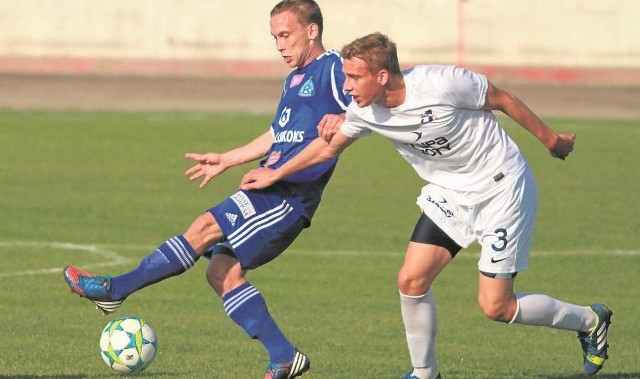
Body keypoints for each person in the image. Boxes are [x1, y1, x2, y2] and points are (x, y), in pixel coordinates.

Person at [239, 32, 612, 378]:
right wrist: (274, 173)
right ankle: (424, 373)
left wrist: (551, 141)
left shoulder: (442, 82)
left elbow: (502, 99)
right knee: (411, 280)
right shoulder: (363, 109)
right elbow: (329, 146)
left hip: (502, 190)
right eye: (345, 77)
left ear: (382, 76)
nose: (346, 86)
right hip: (449, 193)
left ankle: (589, 321)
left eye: (353, 77)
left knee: (497, 307)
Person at [63, 1, 350, 378]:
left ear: (311, 31)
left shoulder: (333, 67)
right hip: (269, 183)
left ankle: (116, 288)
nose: (279, 45)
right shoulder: (293, 78)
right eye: (274, 37)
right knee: (221, 274)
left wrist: (345, 115)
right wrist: (229, 159)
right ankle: (284, 357)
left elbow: (367, 107)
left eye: (285, 35)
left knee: (203, 227)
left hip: (289, 193)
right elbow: (279, 134)